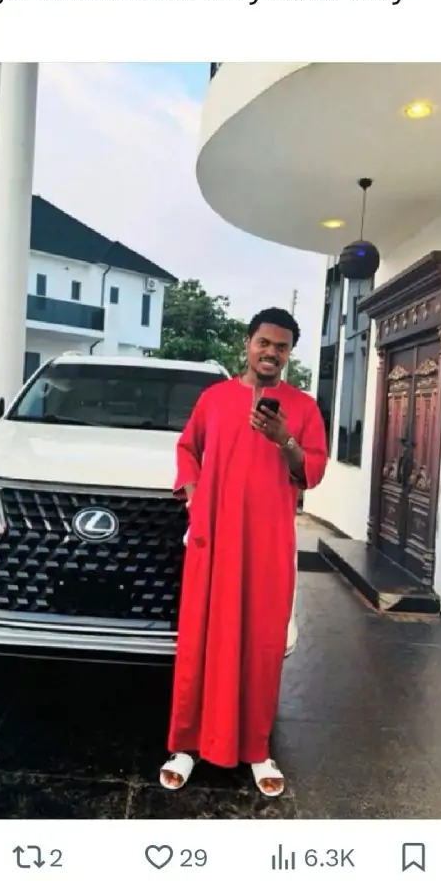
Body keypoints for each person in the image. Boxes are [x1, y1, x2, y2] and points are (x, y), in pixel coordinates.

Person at [160, 307, 328, 797]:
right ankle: (185, 745)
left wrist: (284, 439)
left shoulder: (303, 407)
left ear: (289, 354)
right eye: (264, 343)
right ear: (248, 344)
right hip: (213, 540)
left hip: (267, 543)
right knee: (200, 640)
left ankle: (256, 748)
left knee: (262, 643)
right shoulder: (214, 399)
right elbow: (188, 449)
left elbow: (311, 470)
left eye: (281, 347)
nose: (271, 353)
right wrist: (195, 499)